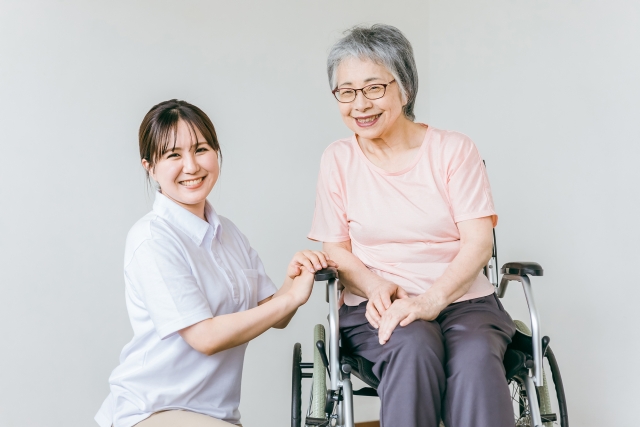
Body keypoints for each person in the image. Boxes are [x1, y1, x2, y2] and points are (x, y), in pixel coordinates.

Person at [308, 25, 516, 427]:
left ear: (404, 88)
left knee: (474, 357)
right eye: (346, 92)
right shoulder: (338, 159)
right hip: (376, 307)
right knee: (413, 344)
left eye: (373, 88)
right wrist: (374, 287)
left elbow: (478, 242)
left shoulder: (454, 150)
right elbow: (335, 250)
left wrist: (429, 301)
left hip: (464, 303)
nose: (359, 104)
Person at [95, 100, 335, 427]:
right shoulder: (152, 240)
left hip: (216, 416)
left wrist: (295, 279)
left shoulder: (227, 232)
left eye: (201, 149)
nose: (192, 166)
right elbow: (205, 337)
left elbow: (273, 314)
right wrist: (290, 298)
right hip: (152, 410)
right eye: (173, 155)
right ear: (149, 167)